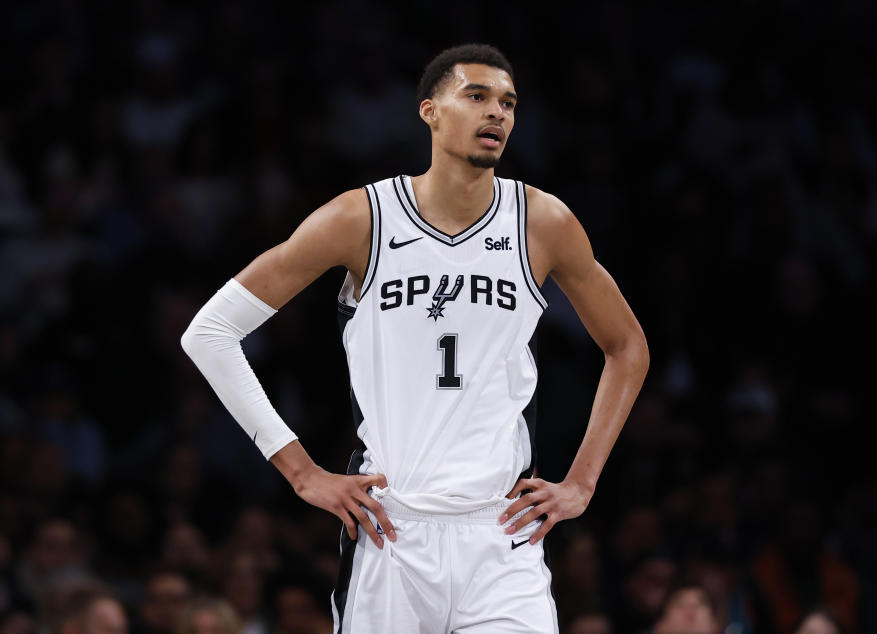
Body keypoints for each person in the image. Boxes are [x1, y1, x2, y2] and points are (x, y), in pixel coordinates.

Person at [181, 43, 649, 633]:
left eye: (508, 102)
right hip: (391, 529)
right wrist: (302, 472)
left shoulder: (542, 222)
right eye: (476, 96)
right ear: (429, 110)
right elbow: (211, 332)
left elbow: (628, 346)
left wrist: (583, 481)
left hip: (501, 532)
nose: (497, 113)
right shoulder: (362, 218)